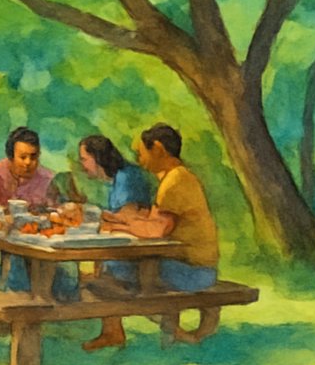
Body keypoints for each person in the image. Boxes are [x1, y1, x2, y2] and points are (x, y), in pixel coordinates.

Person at [92, 123, 221, 349]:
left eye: (142, 153)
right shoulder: (176, 178)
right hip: (190, 265)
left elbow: (155, 231)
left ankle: (162, 330)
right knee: (118, 269)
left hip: (194, 272)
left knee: (114, 270)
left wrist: (120, 228)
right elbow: (153, 221)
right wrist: (120, 221)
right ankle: (161, 330)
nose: (140, 160)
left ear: (158, 150)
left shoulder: (174, 182)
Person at [77, 133, 154, 298]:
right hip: (120, 263)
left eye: (84, 159)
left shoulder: (128, 177)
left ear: (97, 157)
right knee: (79, 282)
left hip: (132, 269)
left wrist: (87, 213)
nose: (82, 165)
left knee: (78, 289)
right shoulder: (119, 178)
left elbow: (128, 220)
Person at [0, 126, 59, 208]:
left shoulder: (48, 179)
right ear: (11, 157)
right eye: (23, 157)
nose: (28, 162)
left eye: (33, 157)